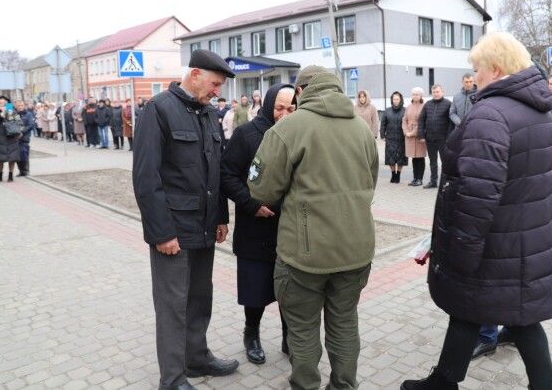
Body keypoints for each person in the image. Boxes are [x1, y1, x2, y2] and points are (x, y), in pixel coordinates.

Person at [401, 32, 552, 390]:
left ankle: (444, 383)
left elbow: (476, 194)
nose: (473, 77)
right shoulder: (537, 111)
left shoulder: (490, 114)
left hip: (491, 243)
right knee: (509, 315)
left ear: (497, 68)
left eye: (477, 69)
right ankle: (445, 380)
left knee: (480, 309)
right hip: (523, 239)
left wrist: (460, 250)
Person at [249, 65, 378, 390]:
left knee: (303, 329)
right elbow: (371, 181)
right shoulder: (362, 129)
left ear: (302, 91)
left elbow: (260, 189)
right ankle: (344, 385)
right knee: (345, 322)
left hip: (304, 254)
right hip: (356, 250)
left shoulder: (289, 128)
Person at [133, 49, 239, 390]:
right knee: (173, 306)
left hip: (205, 226)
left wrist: (221, 215)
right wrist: (161, 233)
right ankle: (173, 379)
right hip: (173, 231)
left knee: (199, 298)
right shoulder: (159, 110)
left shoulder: (208, 115)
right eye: (214, 84)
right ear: (194, 75)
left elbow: (216, 171)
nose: (216, 91)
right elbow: (146, 178)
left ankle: (197, 358)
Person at [220, 84, 296, 365]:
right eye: (279, 108)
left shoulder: (300, 134)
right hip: (255, 227)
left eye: (291, 108)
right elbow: (227, 175)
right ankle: (251, 334)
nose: (285, 114)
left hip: (288, 229)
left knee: (291, 288)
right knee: (255, 288)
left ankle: (291, 337)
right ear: (267, 105)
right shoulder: (247, 134)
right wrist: (251, 205)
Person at [417, 84, 452, 188]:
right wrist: (421, 135)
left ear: (442, 92)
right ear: (431, 93)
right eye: (434, 92)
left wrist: (449, 136)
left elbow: (451, 122)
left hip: (443, 139)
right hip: (430, 138)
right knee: (433, 162)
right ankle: (433, 181)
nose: (436, 94)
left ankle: (445, 183)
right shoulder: (427, 104)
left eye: (438, 92)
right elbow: (421, 119)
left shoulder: (448, 104)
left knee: (445, 162)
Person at [0, 96, 23, 183]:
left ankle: (10, 175)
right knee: (0, 159)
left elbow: (20, 122)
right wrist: (1, 114)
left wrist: (20, 131)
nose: (3, 104)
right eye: (1, 103)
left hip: (12, 138)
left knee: (12, 158)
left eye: (5, 103)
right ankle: (0, 175)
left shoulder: (12, 112)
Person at [381, 91, 408, 183]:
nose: (395, 101)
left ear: (400, 100)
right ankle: (393, 174)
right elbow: (383, 124)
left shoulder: (405, 110)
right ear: (392, 100)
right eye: (394, 99)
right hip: (390, 138)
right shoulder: (387, 111)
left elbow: (407, 123)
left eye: (397, 99)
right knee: (390, 157)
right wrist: (382, 135)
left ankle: (398, 175)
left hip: (402, 138)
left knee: (401, 157)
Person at [403, 87, 427, 187]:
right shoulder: (408, 106)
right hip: (409, 136)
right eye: (413, 94)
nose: (415, 96)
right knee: (413, 158)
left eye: (417, 94)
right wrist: (406, 131)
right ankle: (415, 178)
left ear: (421, 96)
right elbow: (404, 120)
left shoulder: (424, 106)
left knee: (420, 158)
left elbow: (422, 122)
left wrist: (412, 132)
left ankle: (420, 179)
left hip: (419, 135)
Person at [15, 99, 36, 176]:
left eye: (21, 105)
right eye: (18, 106)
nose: (20, 107)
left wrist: (22, 132)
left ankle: (26, 170)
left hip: (25, 137)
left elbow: (30, 125)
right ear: (16, 106)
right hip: (15, 138)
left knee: (24, 154)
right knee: (17, 155)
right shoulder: (14, 114)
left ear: (24, 106)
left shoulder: (28, 114)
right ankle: (20, 171)